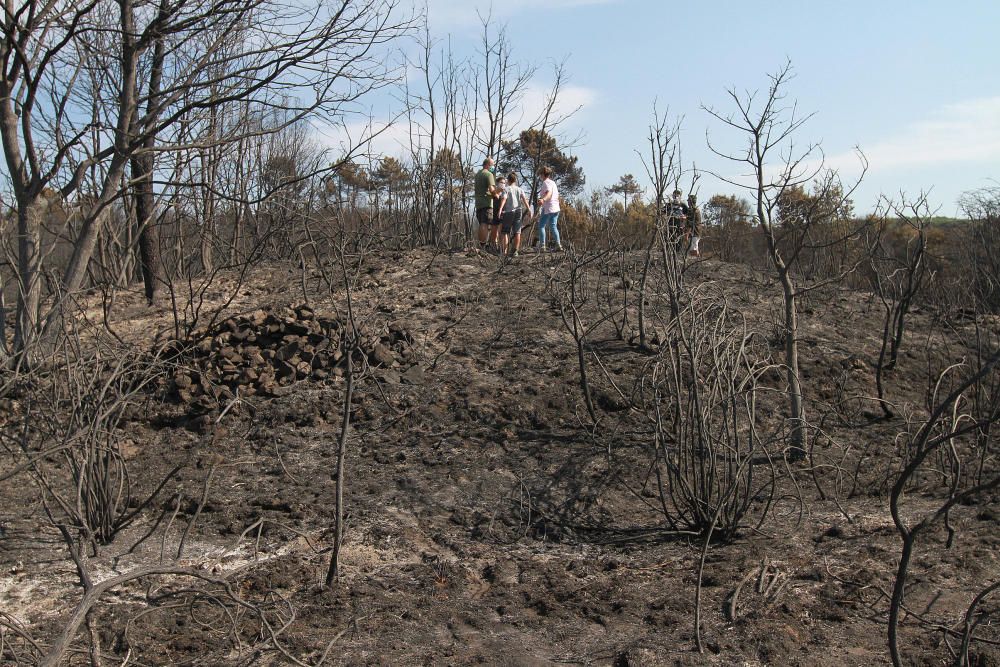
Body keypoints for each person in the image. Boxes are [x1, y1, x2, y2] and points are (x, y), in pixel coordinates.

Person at [497, 173, 531, 257]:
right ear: (515, 180)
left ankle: (504, 252)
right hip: (518, 211)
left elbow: (504, 199)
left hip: (509, 212)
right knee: (517, 232)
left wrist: (500, 209)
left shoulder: (506, 189)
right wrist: (529, 209)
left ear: (508, 180)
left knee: (505, 232)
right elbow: (524, 200)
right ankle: (515, 251)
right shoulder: (520, 189)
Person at [474, 157, 498, 251]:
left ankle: (481, 245)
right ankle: (484, 246)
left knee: (481, 224)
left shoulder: (478, 174)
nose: (493, 167)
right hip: (486, 202)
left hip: (478, 203)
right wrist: (496, 195)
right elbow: (492, 189)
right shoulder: (488, 174)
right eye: (492, 165)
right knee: (485, 224)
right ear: (488, 165)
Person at [536, 166, 562, 252]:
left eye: (540, 174)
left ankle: (542, 245)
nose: (540, 176)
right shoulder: (553, 182)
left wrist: (543, 199)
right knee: (553, 226)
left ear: (543, 174)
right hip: (556, 207)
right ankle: (558, 245)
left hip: (548, 208)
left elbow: (549, 193)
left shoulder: (545, 183)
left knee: (541, 226)